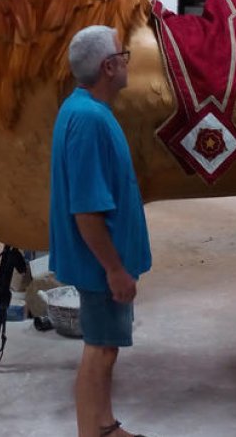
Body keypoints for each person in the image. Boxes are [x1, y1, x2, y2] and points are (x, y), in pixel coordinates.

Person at [49, 25, 153, 437]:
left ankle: (105, 426)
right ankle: (89, 432)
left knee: (106, 347)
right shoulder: (90, 120)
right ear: (110, 67)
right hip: (100, 268)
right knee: (99, 351)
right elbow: (87, 211)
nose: (128, 61)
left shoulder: (84, 110)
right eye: (123, 55)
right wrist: (114, 270)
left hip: (102, 264)